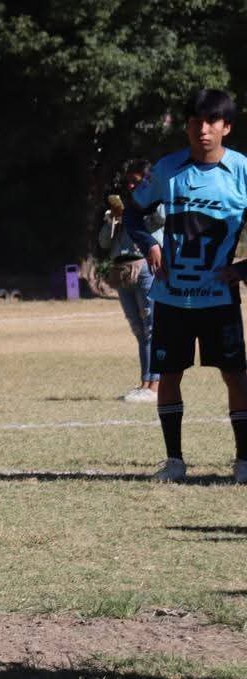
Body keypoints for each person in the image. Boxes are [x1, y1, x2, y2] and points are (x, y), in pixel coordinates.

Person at [125, 88, 247, 485]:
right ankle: (174, 461)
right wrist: (150, 244)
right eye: (195, 122)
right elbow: (132, 214)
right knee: (169, 375)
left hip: (219, 299)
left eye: (212, 122)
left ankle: (244, 462)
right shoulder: (167, 169)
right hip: (172, 297)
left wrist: (244, 269)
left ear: (227, 127)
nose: (203, 129)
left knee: (235, 376)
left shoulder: (242, 171)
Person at [99, 161, 164, 403]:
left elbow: (161, 218)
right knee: (138, 329)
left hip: (145, 267)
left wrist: (139, 209)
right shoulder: (124, 210)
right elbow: (104, 242)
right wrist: (112, 221)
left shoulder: (154, 204)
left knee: (152, 327)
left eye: (135, 181)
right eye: (128, 182)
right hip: (122, 271)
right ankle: (145, 382)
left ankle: (155, 385)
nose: (131, 186)